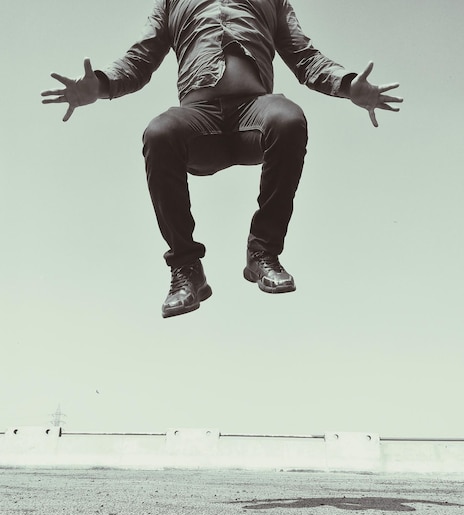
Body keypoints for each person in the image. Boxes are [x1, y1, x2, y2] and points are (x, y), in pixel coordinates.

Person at [41, 0, 402, 318]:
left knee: (288, 118)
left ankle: (262, 254)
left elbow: (305, 57)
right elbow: (140, 59)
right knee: (159, 132)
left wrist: (348, 83)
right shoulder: (171, 3)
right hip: (200, 120)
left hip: (254, 114)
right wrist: (100, 84)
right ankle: (186, 270)